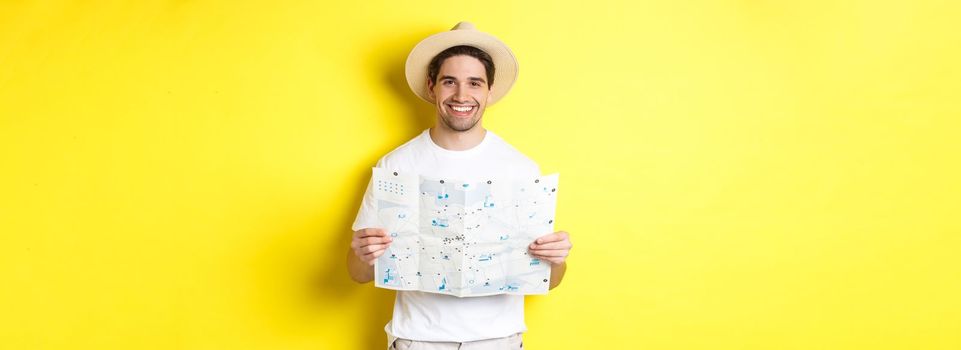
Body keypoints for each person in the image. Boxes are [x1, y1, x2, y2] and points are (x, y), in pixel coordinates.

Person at [346, 22, 573, 350]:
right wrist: (364, 254)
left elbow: (550, 281)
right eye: (449, 82)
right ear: (431, 87)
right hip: (419, 340)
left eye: (474, 83)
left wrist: (557, 259)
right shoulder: (396, 166)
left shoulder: (520, 169)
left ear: (489, 91)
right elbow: (357, 273)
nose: (462, 96)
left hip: (499, 341)